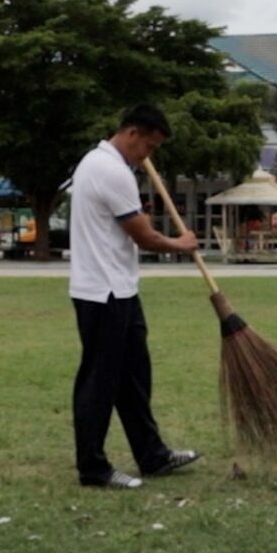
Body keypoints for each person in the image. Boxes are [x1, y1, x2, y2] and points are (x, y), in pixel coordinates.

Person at [65, 104, 202, 490]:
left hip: (120, 289)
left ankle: (152, 455)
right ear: (131, 134)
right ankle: (93, 468)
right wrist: (180, 244)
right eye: (149, 146)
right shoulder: (109, 170)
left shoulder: (103, 164)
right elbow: (143, 235)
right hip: (102, 293)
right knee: (100, 381)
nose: (148, 156)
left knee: (133, 377)